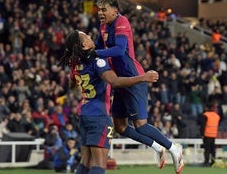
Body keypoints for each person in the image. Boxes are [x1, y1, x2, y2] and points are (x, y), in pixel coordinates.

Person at [94, 0, 184, 173]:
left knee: (140, 124)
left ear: (115, 10)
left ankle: (173, 148)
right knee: (120, 126)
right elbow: (99, 46)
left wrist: (93, 53)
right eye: (99, 9)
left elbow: (119, 50)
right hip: (120, 81)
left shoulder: (122, 22)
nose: (100, 13)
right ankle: (156, 147)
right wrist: (89, 52)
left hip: (134, 77)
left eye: (104, 9)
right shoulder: (103, 26)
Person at [58, 29, 160, 174]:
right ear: (84, 45)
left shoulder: (75, 63)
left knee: (85, 163)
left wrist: (86, 93)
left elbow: (72, 85)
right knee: (99, 165)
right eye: (85, 36)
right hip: (99, 116)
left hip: (84, 114)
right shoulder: (97, 62)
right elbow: (115, 82)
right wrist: (143, 77)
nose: (89, 35)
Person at [200, 100, 221, 167]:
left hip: (207, 135)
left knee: (207, 150)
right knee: (213, 150)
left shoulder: (205, 115)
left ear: (206, 107)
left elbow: (203, 126)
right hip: (214, 135)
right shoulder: (217, 116)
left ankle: (206, 163)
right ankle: (213, 162)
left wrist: (202, 134)